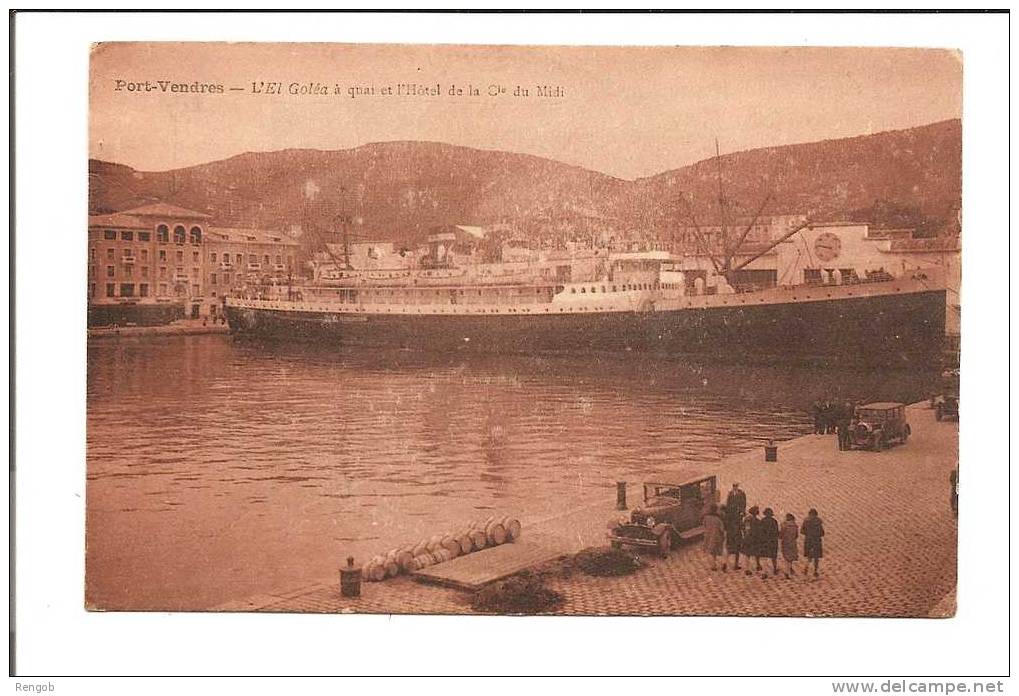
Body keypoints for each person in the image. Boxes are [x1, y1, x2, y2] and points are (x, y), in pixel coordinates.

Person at [801, 508, 825, 578]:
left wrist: (808, 533)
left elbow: (802, 531)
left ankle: (806, 567)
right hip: (816, 540)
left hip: (808, 540)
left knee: (809, 556)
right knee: (816, 557)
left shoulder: (806, 521)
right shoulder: (818, 521)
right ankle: (815, 571)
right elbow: (822, 533)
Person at [702, 504, 725, 571]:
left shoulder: (706, 518)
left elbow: (704, 526)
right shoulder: (718, 519)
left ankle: (713, 565)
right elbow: (722, 528)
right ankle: (717, 564)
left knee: (711, 551)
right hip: (717, 536)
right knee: (715, 551)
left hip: (708, 536)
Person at [722, 504, 743, 572]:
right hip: (737, 535)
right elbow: (741, 526)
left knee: (729, 550)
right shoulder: (738, 518)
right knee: (737, 551)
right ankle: (735, 565)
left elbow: (725, 527)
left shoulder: (727, 518)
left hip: (730, 535)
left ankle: (725, 563)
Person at [759, 508, 780, 577]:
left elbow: (760, 532)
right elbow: (776, 532)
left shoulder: (762, 521)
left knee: (764, 557)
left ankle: (764, 572)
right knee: (773, 556)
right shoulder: (774, 521)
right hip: (772, 541)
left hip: (764, 541)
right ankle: (774, 569)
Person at [743, 506, 762, 576]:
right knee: (756, 553)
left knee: (748, 554)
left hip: (748, 538)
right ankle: (756, 565)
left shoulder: (747, 519)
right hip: (754, 538)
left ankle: (748, 568)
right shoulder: (757, 521)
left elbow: (745, 528)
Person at [779, 513, 799, 578]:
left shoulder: (784, 525)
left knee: (786, 557)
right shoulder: (795, 526)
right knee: (791, 557)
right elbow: (796, 536)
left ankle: (787, 571)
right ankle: (790, 568)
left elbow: (780, 535)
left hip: (785, 542)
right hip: (793, 542)